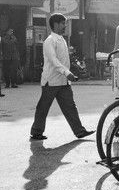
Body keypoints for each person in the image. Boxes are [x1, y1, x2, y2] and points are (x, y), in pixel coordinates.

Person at [29, 13, 94, 141]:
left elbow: (63, 61)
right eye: (63, 23)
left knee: (70, 107)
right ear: (56, 24)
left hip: (63, 81)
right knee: (43, 107)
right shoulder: (50, 41)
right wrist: (67, 73)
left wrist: (69, 72)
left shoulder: (61, 39)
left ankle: (79, 131)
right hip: (51, 80)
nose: (65, 26)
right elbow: (54, 61)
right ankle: (36, 131)